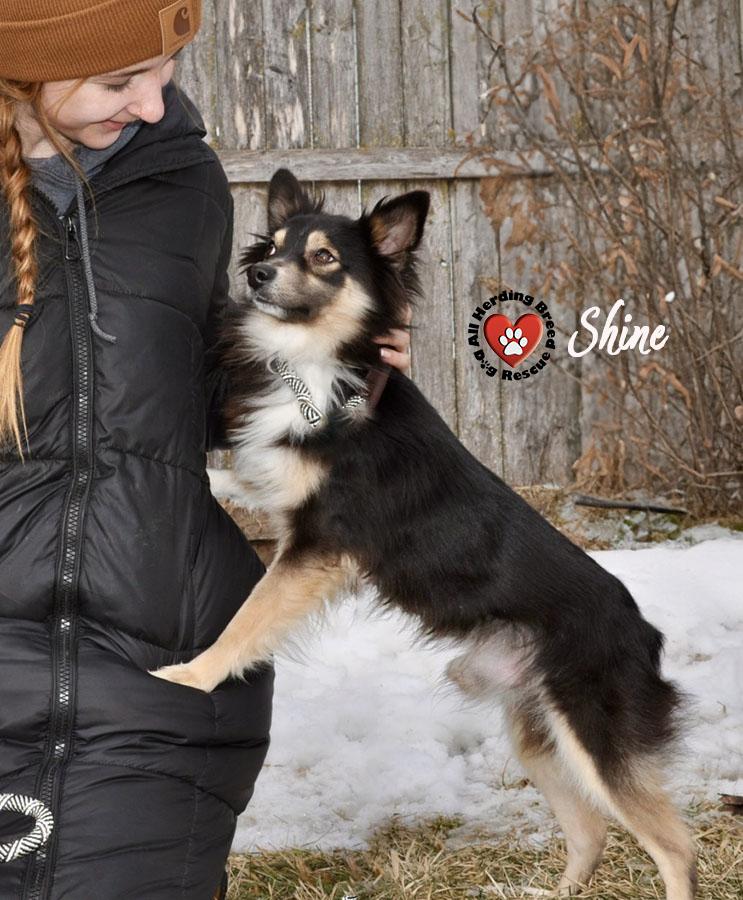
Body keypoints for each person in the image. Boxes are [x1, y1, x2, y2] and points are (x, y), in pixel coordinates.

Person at [0, 1, 412, 897]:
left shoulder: (179, 181)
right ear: (23, 67)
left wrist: (328, 377)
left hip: (161, 661)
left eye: (166, 72)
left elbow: (176, 394)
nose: (153, 106)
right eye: (120, 80)